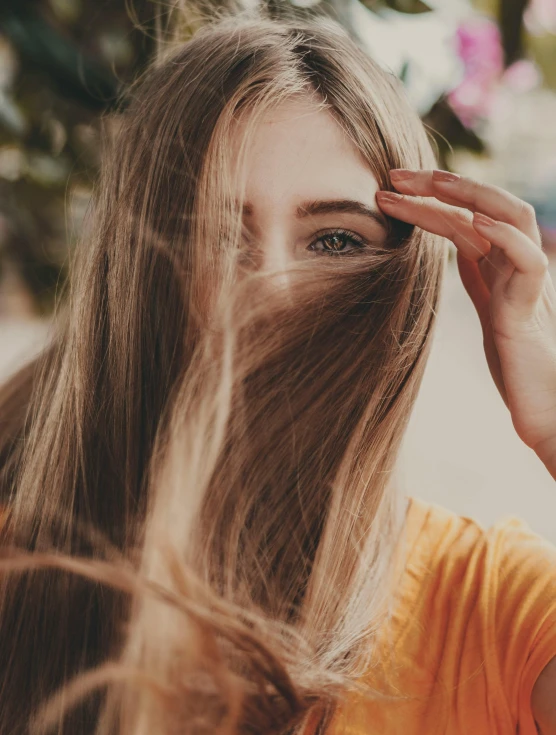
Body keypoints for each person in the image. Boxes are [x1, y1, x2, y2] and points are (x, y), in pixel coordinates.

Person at [0, 9, 555, 735]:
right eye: (216, 235)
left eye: (333, 239)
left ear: (406, 283)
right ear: (137, 273)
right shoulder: (19, 573)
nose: (275, 288)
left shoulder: (494, 609)